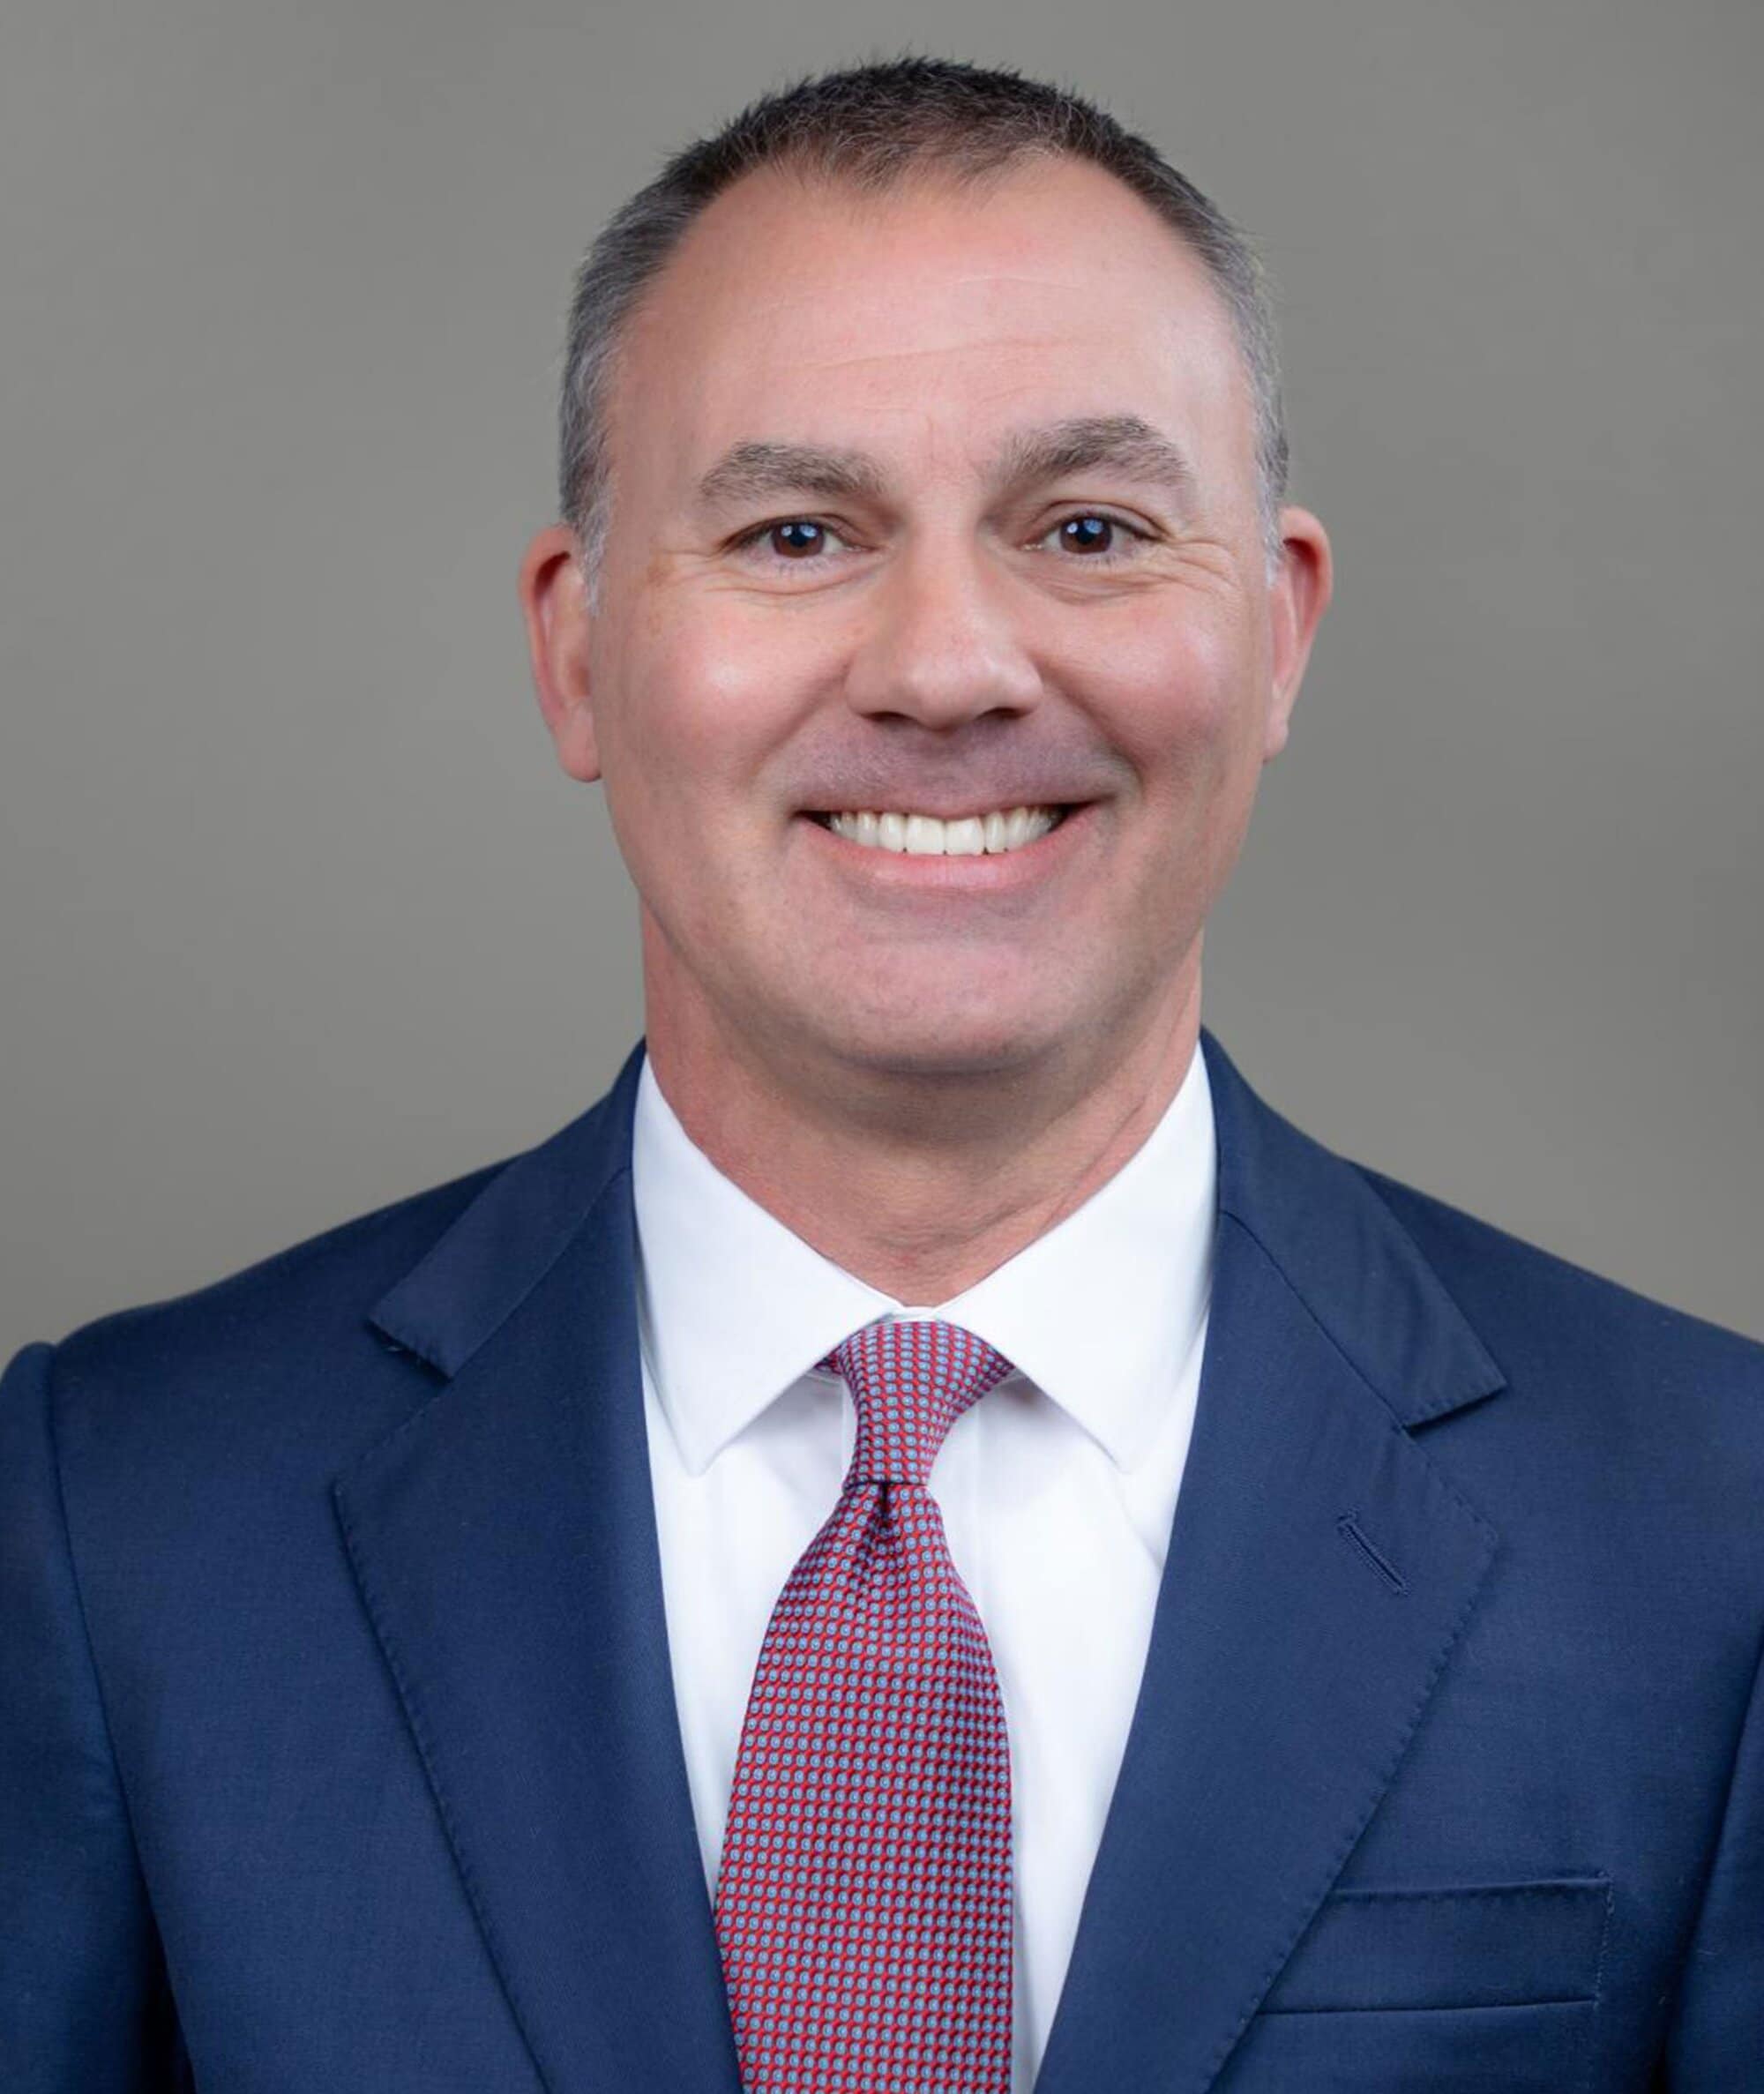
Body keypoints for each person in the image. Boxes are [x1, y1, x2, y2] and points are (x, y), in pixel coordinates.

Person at [3, 55, 1759, 2094]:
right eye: (796, 531)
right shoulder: (118, 1516)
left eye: (1088, 527)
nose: (947, 666)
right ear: (577, 651)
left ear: (1278, 633)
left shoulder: (1710, 1529)